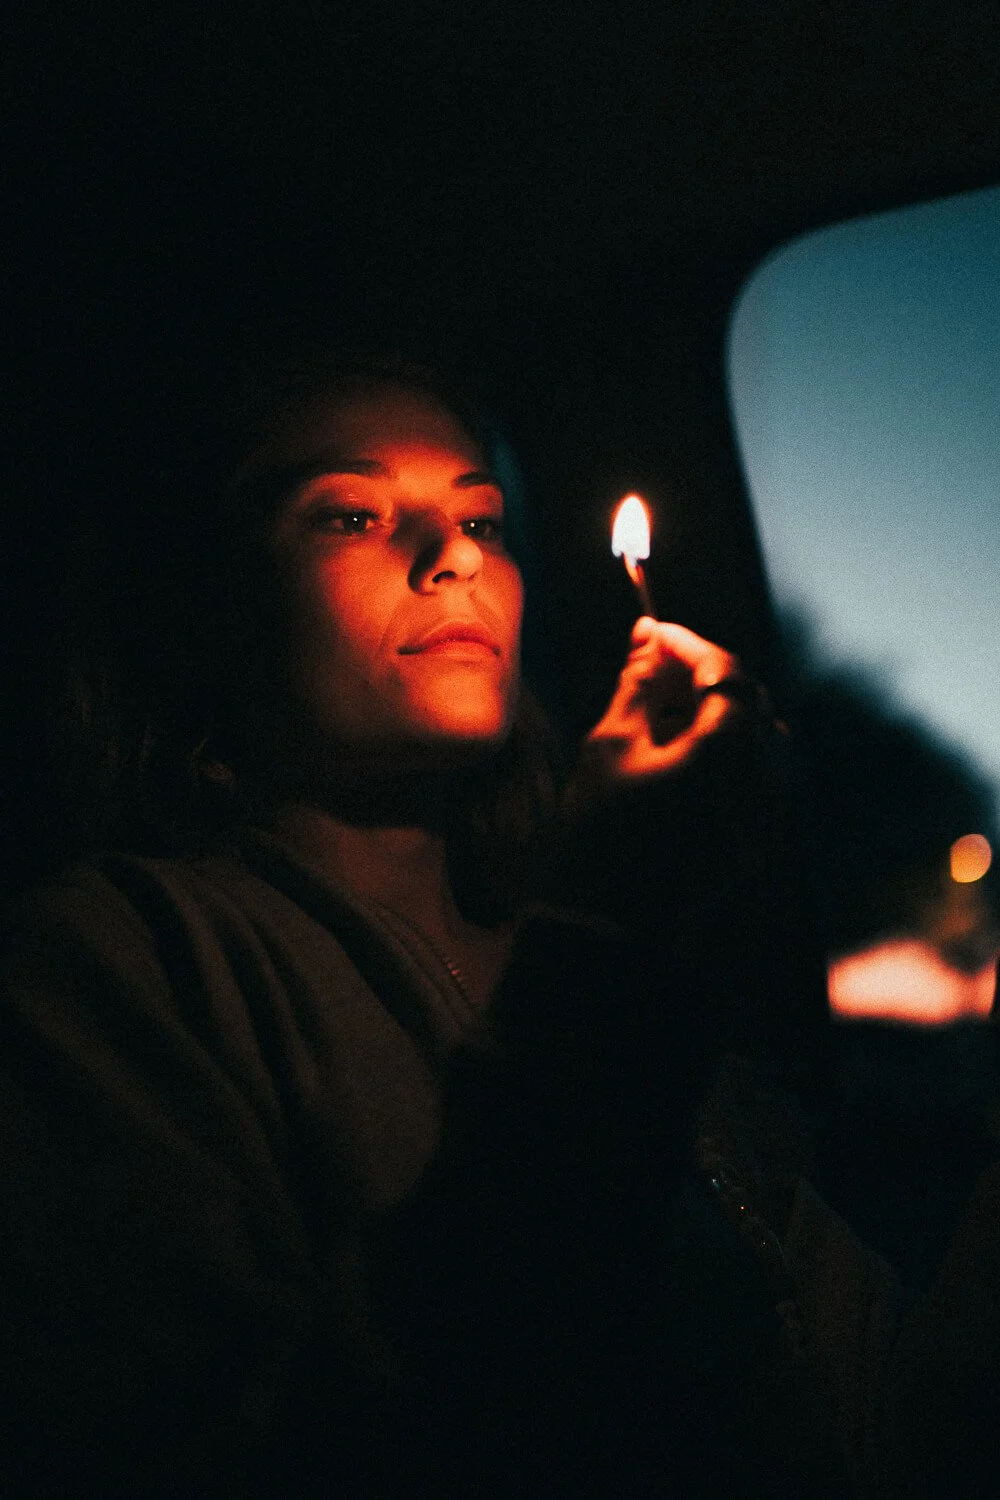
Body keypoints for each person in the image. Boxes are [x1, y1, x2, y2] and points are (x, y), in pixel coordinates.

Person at [1, 352, 856, 1496]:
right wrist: (600, 954)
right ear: (210, 601)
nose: (453, 555)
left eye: (482, 521)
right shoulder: (112, 963)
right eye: (350, 514)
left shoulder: (608, 958)